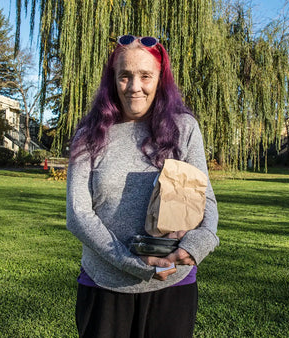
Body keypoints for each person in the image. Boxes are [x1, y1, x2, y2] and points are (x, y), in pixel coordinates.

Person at [66, 34, 219, 338]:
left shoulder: (184, 129)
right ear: (113, 80)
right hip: (105, 284)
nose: (134, 87)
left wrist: (194, 248)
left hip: (172, 284)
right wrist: (132, 263)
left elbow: (207, 203)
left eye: (145, 76)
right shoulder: (89, 134)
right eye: (125, 76)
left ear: (160, 79)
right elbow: (78, 214)